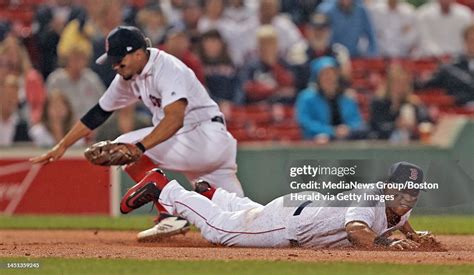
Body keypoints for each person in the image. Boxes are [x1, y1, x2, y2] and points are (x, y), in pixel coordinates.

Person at [31, 26, 243, 241]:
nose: (115, 65)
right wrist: (63, 145)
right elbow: (99, 112)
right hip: (204, 147)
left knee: (124, 145)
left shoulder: (167, 68)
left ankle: (168, 215)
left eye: (119, 60)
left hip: (201, 136)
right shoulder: (129, 76)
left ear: (139, 54)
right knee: (239, 221)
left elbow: (175, 118)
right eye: (112, 60)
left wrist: (140, 147)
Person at [119, 161, 436, 250]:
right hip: (290, 224)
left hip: (300, 208)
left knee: (248, 213)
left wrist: (413, 235)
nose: (407, 196)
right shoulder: (369, 197)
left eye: (412, 191)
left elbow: (400, 222)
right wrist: (389, 247)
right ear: (387, 185)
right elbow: (357, 232)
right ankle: (165, 188)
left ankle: (214, 194)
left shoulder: (400, 205)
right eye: (401, 189)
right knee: (219, 231)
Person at [296, 56, 365, 142]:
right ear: (317, 77)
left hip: (346, 141)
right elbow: (305, 122)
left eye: (332, 74)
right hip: (316, 142)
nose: (329, 78)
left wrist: (347, 129)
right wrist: (330, 131)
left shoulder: (347, 97)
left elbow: (357, 122)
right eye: (324, 74)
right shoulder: (306, 97)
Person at [370, 64, 431, 142]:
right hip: (383, 143)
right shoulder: (379, 102)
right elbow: (376, 126)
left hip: (411, 144)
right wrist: (396, 125)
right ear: (389, 84)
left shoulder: (412, 103)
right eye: (396, 83)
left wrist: (415, 123)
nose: (399, 87)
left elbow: (426, 123)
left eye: (403, 83)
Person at [417, 23, 474, 106]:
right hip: (457, 113)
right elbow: (426, 85)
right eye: (472, 41)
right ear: (465, 42)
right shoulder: (451, 68)